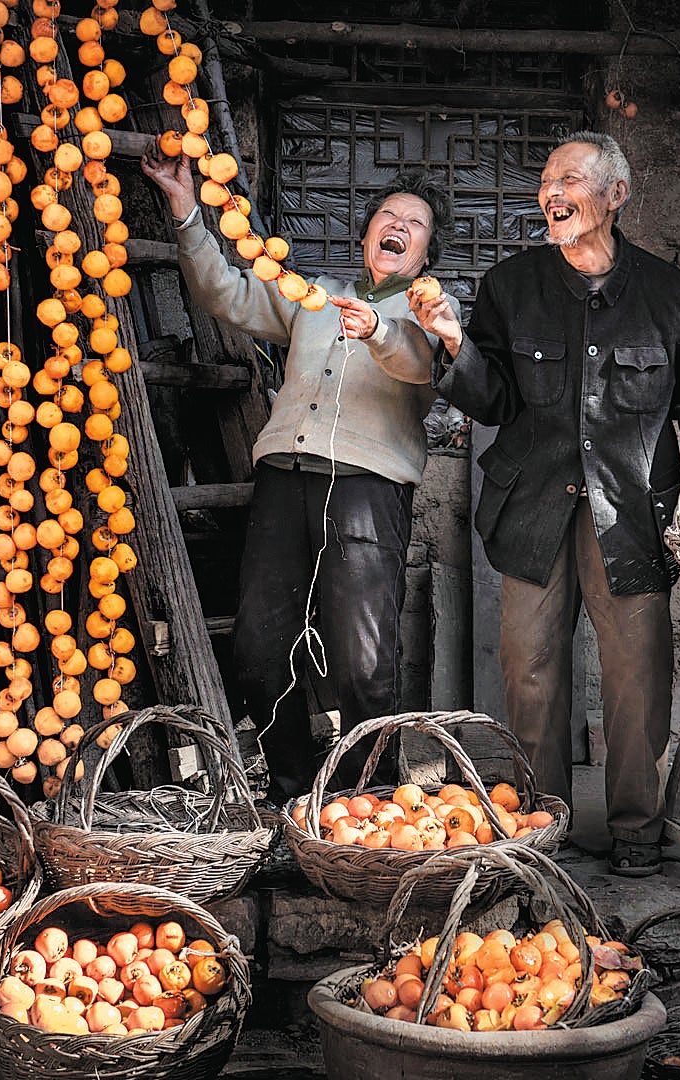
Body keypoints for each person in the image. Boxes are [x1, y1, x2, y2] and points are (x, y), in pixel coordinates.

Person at [402, 131, 680, 876]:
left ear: (614, 196)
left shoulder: (669, 295)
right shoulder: (512, 285)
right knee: (529, 672)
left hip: (631, 512)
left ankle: (635, 832)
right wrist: (455, 344)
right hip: (533, 507)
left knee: (636, 678)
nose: (550, 190)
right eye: (546, 178)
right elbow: (489, 395)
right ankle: (539, 826)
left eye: (570, 179)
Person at [141, 147, 458, 801]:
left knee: (362, 662)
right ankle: (292, 788)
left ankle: (365, 799)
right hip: (284, 480)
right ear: (368, 232)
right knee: (258, 648)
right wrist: (186, 213)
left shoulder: (430, 311)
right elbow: (225, 294)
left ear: (427, 251)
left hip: (368, 488)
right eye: (387, 216)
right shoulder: (317, 299)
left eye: (414, 223)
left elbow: (417, 362)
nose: (396, 225)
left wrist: (378, 329)